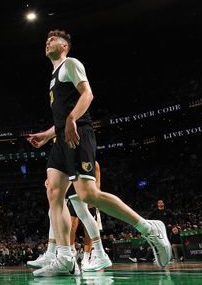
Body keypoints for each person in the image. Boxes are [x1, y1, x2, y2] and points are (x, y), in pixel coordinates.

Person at [28, 29, 171, 276]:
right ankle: (64, 256)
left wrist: (73, 118)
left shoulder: (70, 64)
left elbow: (88, 94)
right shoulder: (53, 76)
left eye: (54, 39)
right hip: (61, 138)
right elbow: (62, 117)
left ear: (65, 46)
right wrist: (47, 134)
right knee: (53, 191)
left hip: (79, 132)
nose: (48, 42)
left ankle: (149, 228)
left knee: (88, 194)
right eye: (47, 40)